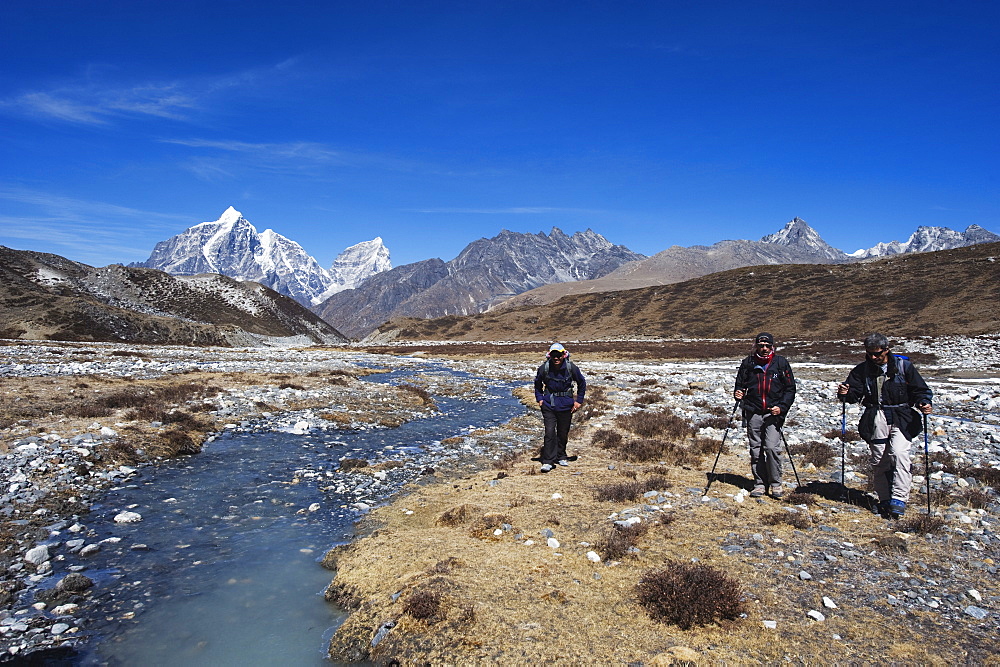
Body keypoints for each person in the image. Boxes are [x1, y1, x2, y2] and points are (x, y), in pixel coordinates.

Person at [837, 333, 933, 519]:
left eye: (877, 354)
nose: (873, 357)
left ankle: (899, 499)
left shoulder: (903, 367)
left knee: (899, 453)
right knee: (879, 460)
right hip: (876, 416)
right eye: (870, 353)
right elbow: (853, 396)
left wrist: (924, 402)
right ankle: (885, 499)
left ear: (886, 350)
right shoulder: (861, 370)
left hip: (902, 416)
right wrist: (845, 393)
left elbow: (920, 389)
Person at [734, 333, 796, 498]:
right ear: (756, 346)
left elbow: (790, 389)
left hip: (773, 413)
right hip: (753, 411)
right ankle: (759, 484)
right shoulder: (748, 363)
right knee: (756, 449)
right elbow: (740, 384)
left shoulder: (780, 363)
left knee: (771, 448)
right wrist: (738, 393)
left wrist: (781, 407)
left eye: (767, 345)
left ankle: (776, 483)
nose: (764, 348)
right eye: (761, 345)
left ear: (772, 346)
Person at [534, 343, 586, 472]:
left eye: (559, 355)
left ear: (564, 355)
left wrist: (578, 401)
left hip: (566, 405)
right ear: (549, 355)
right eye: (554, 355)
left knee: (563, 432)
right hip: (548, 405)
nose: (556, 358)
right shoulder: (544, 368)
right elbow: (537, 385)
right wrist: (540, 399)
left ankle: (561, 455)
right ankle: (548, 461)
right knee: (550, 432)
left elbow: (581, 382)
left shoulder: (571, 368)